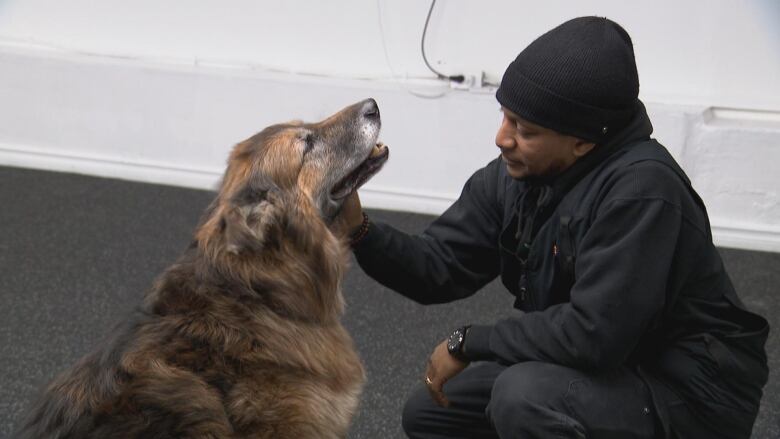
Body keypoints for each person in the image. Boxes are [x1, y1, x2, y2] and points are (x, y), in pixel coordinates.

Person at [339, 16, 769, 439]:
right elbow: (438, 267)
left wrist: (469, 341)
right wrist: (359, 229)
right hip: (610, 366)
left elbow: (593, 335)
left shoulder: (641, 193)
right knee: (432, 413)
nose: (501, 138)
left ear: (583, 141)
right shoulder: (519, 176)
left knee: (523, 398)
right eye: (505, 117)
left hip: (686, 394)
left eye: (525, 130)